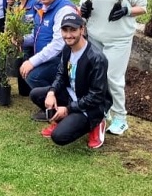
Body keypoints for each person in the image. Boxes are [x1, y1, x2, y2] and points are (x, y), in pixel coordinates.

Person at [79, 0, 147, 136]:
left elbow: (142, 7)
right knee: (96, 77)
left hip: (118, 39)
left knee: (112, 78)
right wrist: (84, 10)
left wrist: (126, 11)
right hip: (95, 36)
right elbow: (83, 5)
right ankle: (103, 110)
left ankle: (120, 118)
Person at [29, 13, 111, 149]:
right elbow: (61, 74)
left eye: (73, 30)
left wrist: (68, 109)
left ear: (82, 30)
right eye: (65, 30)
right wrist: (52, 92)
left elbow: (96, 96)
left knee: (59, 137)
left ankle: (96, 123)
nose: (68, 35)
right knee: (36, 94)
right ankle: (62, 119)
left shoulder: (97, 59)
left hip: (90, 106)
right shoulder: (67, 48)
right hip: (71, 96)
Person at [20, 0, 77, 96]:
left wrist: (32, 62)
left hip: (63, 60)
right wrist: (22, 40)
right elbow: (37, 35)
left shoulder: (63, 10)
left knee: (33, 76)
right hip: (49, 58)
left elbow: (58, 44)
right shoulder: (43, 6)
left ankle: (63, 102)